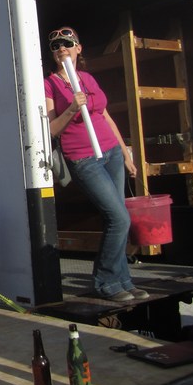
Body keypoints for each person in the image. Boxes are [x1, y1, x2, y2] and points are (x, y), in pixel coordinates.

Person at [44, 27, 148, 302]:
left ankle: (123, 280)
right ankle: (105, 282)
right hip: (83, 157)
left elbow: (105, 116)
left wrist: (125, 153)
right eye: (55, 46)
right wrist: (71, 108)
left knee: (118, 218)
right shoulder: (50, 84)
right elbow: (52, 129)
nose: (61, 48)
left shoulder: (87, 78)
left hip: (111, 152)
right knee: (119, 218)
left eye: (67, 43)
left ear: (78, 48)